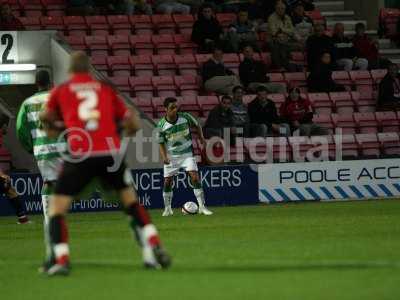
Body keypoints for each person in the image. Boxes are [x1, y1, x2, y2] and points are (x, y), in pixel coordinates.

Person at [40, 51, 171, 276]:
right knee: (131, 204)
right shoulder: (104, 89)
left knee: (57, 209)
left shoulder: (61, 90)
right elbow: (133, 123)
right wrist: (121, 132)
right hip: (110, 155)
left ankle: (61, 260)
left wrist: (58, 128)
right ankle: (153, 241)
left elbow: (46, 119)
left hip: (79, 155)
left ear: (70, 70)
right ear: (89, 70)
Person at [16, 70, 65, 266]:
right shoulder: (59, 98)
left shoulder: (27, 104)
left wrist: (32, 146)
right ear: (51, 82)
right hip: (62, 149)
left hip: (42, 150)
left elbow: (21, 129)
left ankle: (49, 220)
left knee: (48, 183)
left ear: (36, 83)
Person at [157, 97, 213, 216]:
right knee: (167, 181)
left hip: (187, 154)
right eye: (172, 108)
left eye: (176, 107)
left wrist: (201, 138)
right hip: (172, 156)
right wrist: (164, 156)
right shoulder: (161, 125)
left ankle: (202, 207)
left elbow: (197, 125)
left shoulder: (186, 117)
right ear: (165, 109)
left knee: (194, 177)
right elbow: (160, 142)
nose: (175, 110)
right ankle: (167, 209)